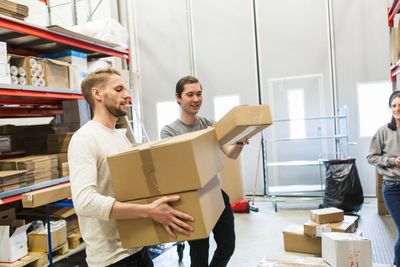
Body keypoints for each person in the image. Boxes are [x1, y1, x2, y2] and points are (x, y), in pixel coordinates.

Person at [68, 67, 194, 267]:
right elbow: (84, 202)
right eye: (119, 89)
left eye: (125, 89)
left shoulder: (119, 138)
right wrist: (148, 211)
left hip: (137, 249)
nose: (126, 95)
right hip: (111, 260)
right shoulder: (85, 138)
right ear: (97, 94)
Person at [160, 76, 247, 267]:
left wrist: (240, 143)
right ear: (178, 97)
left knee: (228, 246)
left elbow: (230, 154)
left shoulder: (209, 125)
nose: (196, 99)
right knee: (199, 254)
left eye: (199, 94)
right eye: (189, 94)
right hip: (191, 198)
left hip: (215, 192)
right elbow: (173, 169)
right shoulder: (169, 131)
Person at [367, 90, 400, 267]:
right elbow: (371, 158)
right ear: (390, 108)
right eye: (394, 106)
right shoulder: (383, 132)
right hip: (393, 188)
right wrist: (392, 161)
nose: (397, 109)